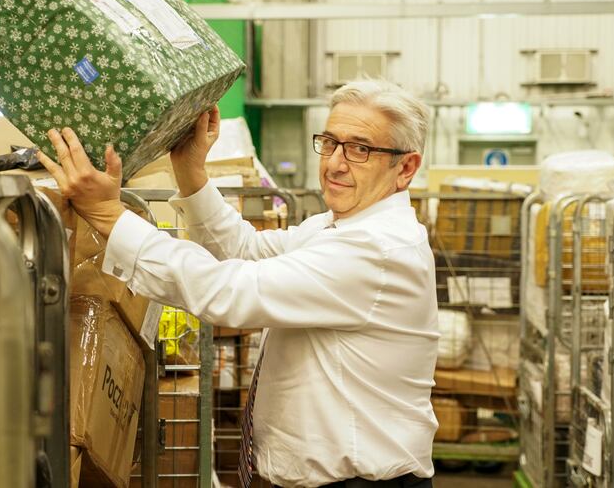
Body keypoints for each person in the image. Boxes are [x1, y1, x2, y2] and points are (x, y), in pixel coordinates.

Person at [38, 80, 440, 488]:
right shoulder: (333, 227)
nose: (335, 163)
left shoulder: (377, 249)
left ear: (405, 168)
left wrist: (109, 214)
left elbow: (231, 291)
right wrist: (191, 172)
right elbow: (244, 250)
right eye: (331, 142)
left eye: (360, 150)